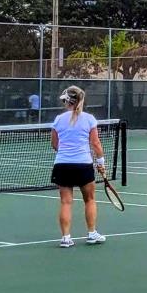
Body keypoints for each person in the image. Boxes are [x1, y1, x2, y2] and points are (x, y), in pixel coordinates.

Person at [50, 86, 106, 248]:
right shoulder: (89, 119)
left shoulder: (58, 120)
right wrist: (101, 163)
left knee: (65, 202)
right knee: (89, 199)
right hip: (83, 165)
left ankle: (66, 238)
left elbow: (55, 144)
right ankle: (91, 233)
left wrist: (67, 154)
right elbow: (95, 143)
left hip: (62, 165)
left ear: (67, 101)